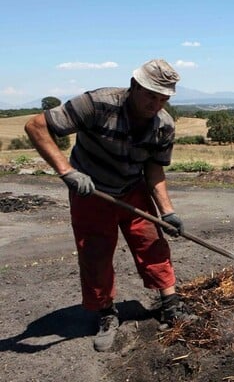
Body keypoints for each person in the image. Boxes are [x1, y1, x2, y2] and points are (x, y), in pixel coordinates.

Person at [24, 59, 198, 352]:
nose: (156, 104)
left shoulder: (163, 126)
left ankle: (170, 303)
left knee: (152, 242)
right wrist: (67, 172)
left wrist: (168, 211)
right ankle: (106, 313)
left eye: (163, 98)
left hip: (132, 189)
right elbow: (36, 126)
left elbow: (154, 171)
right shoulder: (97, 104)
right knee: (95, 252)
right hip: (91, 193)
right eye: (150, 95)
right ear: (134, 86)